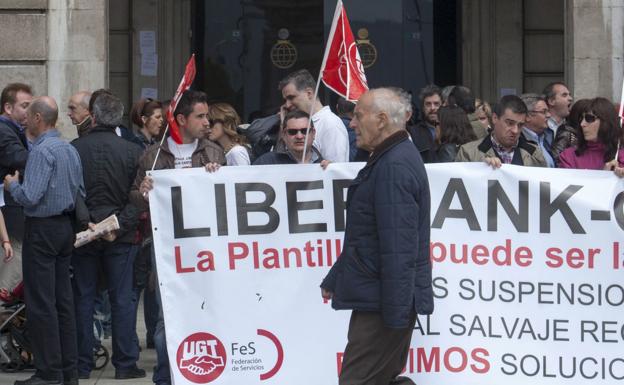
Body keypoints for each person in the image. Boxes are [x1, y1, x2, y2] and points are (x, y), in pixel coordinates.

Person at [320, 87, 433, 385]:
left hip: (383, 305)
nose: (352, 123)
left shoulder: (394, 165)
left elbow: (399, 248)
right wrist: (337, 276)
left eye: (358, 116)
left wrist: (394, 319)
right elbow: (369, 233)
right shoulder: (388, 158)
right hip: (380, 298)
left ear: (381, 120)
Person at [131, 90, 225, 385]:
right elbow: (134, 197)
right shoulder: (153, 155)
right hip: (167, 252)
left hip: (207, 250)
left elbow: (228, 198)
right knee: (165, 319)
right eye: (200, 116)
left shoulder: (213, 152)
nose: (207, 121)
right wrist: (143, 192)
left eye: (207, 115)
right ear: (181, 119)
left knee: (209, 310)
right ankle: (165, 375)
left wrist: (218, 176)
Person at [5, 96, 84, 385]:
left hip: (42, 229)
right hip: (65, 227)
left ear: (39, 118)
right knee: (63, 301)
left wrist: (13, 186)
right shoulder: (68, 149)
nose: (25, 119)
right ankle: (68, 371)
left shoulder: (41, 151)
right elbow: (79, 189)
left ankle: (49, 372)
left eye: (29, 114)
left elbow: (30, 196)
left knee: (41, 303)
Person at [71, 92, 146, 380]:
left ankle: (82, 364)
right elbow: (139, 198)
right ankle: (125, 364)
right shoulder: (131, 150)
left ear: (93, 114)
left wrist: (89, 223)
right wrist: (117, 226)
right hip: (120, 236)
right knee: (121, 299)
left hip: (86, 234)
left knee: (84, 297)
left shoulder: (76, 148)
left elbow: (72, 193)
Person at [0, 83, 32, 304]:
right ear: (8, 107)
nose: (29, 112)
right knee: (9, 279)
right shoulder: (4, 132)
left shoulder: (14, 131)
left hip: (10, 214)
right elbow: (21, 159)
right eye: (25, 106)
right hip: (9, 217)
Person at [455, 94, 547, 167]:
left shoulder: (534, 153)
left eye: (520, 125)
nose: (515, 130)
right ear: (495, 118)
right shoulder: (468, 152)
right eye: (510, 123)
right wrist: (481, 168)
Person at [279, 69, 349, 162]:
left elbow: (336, 170)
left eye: (291, 97)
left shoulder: (330, 124)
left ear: (309, 93)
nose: (287, 105)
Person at [559, 97, 624, 176]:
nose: (582, 124)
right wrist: (604, 176)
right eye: (581, 119)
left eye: (589, 118)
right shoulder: (569, 156)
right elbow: (566, 186)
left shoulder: (620, 156)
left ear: (606, 121)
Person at [253, 110, 324, 165]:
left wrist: (331, 171)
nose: (299, 136)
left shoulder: (324, 165)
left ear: (313, 133)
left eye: (304, 131)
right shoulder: (266, 162)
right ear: (284, 134)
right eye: (292, 132)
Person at [407, 84, 441, 163]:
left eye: (436, 104)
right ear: (422, 107)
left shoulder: (452, 130)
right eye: (428, 104)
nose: (432, 108)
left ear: (442, 105)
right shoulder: (413, 132)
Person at [520, 93, 555, 167]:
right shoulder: (517, 141)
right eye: (544, 112)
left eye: (548, 111)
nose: (549, 115)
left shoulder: (547, 138)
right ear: (528, 116)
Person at [553, 98, 589, 164]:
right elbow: (556, 157)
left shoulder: (581, 132)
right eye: (588, 117)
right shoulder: (567, 132)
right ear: (579, 116)